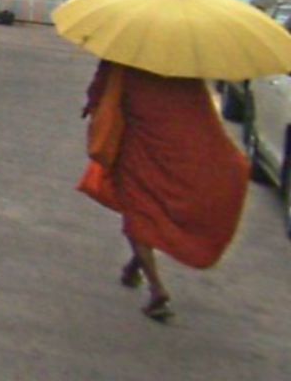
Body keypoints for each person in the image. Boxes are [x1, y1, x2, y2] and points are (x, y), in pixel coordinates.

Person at [79, 60, 250, 322]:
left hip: (136, 148)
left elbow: (101, 91)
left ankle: (157, 289)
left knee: (139, 214)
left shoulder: (125, 59)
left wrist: (92, 105)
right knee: (149, 214)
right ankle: (134, 266)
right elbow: (200, 117)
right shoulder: (184, 68)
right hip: (175, 153)